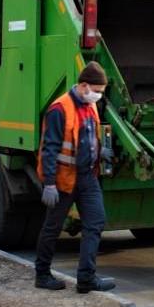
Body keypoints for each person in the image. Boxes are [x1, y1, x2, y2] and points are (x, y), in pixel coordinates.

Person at [34, 61, 116, 293]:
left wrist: (101, 152)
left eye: (101, 92)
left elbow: (88, 138)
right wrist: (49, 183)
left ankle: (86, 279)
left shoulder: (90, 106)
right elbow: (49, 149)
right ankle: (42, 274)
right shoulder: (59, 109)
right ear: (83, 86)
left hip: (87, 177)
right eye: (97, 91)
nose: (99, 96)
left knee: (95, 223)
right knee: (53, 226)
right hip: (63, 180)